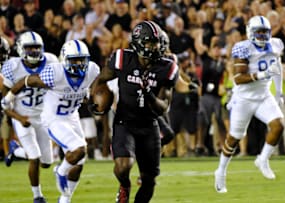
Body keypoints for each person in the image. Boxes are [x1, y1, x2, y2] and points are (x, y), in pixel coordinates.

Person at [90, 20, 178, 203]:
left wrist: (148, 93)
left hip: (149, 125)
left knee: (149, 181)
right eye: (150, 43)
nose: (155, 47)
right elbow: (101, 78)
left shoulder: (167, 67)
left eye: (157, 42)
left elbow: (163, 107)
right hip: (125, 122)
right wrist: (94, 98)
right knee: (123, 166)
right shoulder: (122, 59)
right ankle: (124, 185)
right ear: (138, 43)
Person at [2, 39, 100, 202]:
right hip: (53, 119)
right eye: (74, 60)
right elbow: (27, 81)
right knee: (79, 149)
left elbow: (91, 89)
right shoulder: (55, 72)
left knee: (79, 162)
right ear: (65, 59)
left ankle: (65, 199)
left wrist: (92, 100)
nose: (79, 63)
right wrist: (9, 97)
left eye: (82, 59)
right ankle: (60, 171)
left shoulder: (92, 70)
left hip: (72, 117)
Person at [214, 15, 285, 193]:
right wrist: (262, 75)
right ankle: (221, 171)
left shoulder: (276, 44)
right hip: (244, 99)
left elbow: (277, 68)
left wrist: (279, 93)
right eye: (258, 32)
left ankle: (263, 159)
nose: (262, 35)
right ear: (250, 32)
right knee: (234, 137)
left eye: (265, 32)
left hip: (264, 95)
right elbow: (238, 79)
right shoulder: (243, 48)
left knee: (278, 125)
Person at [1, 31, 58, 203]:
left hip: (42, 118)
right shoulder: (12, 66)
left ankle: (15, 150)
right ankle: (37, 196)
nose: (33, 51)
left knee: (46, 162)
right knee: (34, 156)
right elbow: (4, 103)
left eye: (36, 47)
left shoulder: (51, 62)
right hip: (23, 117)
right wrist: (19, 118)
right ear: (20, 49)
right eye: (29, 48)